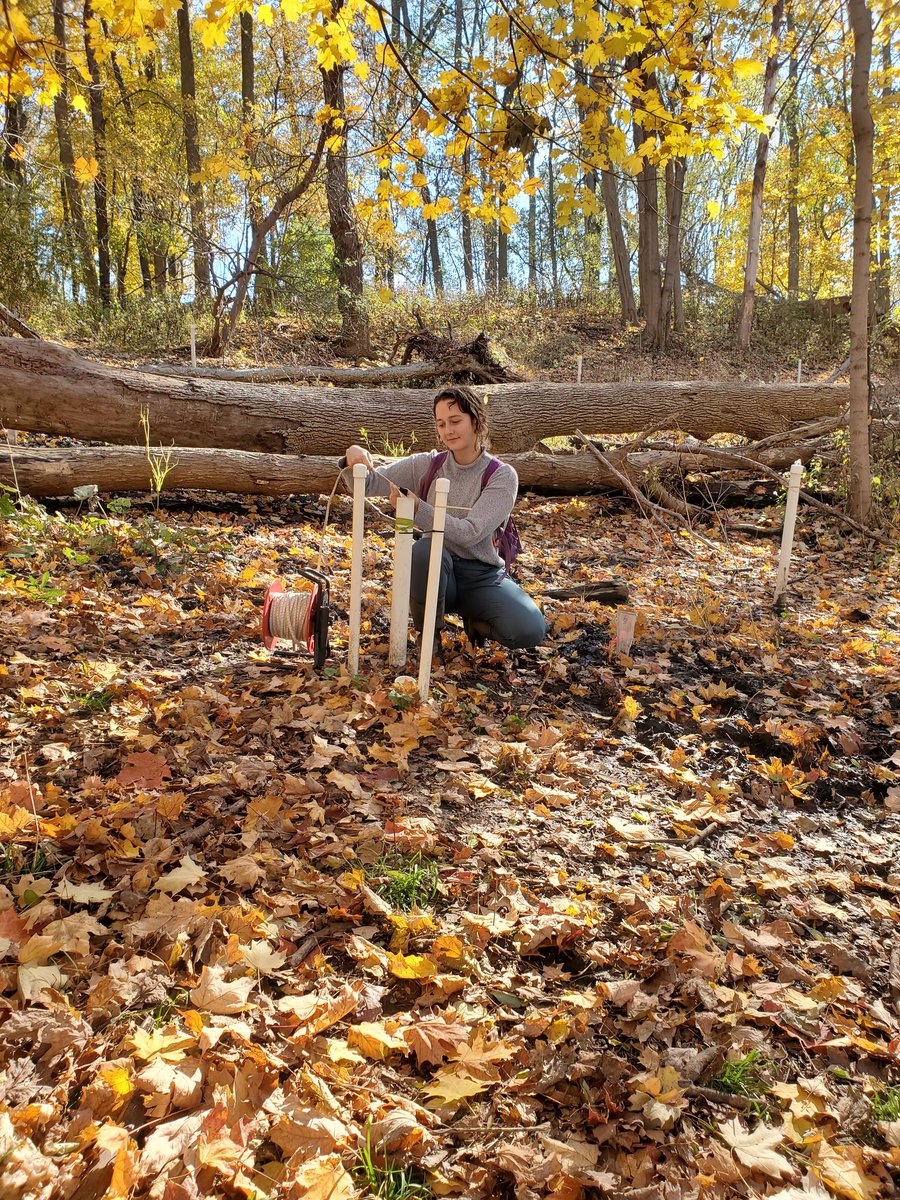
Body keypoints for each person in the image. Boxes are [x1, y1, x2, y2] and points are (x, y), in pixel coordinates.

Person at [340, 386, 546, 652]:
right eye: (441, 423)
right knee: (425, 549)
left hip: (480, 574)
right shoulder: (427, 465)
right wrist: (352, 456)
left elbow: (470, 532)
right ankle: (429, 637)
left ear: (476, 420)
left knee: (529, 629)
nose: (448, 430)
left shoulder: (502, 476)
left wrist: (419, 509)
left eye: (456, 421)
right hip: (435, 569)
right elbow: (367, 484)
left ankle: (476, 623)